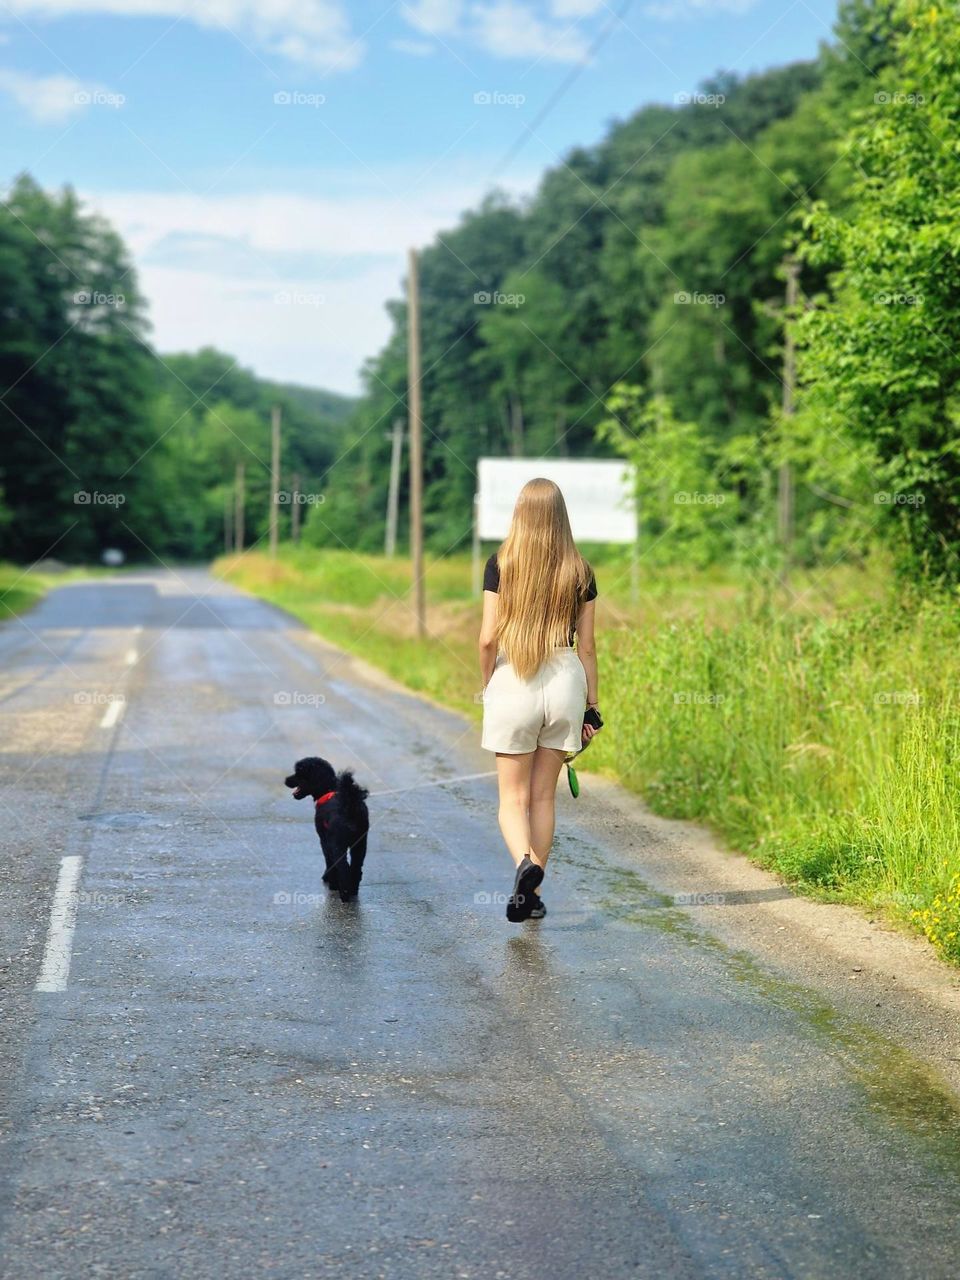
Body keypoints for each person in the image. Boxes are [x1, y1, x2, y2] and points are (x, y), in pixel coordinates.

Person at [478, 477, 601, 923]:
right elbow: (587, 647)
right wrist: (591, 706)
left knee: (511, 800)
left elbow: (488, 638)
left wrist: (487, 684)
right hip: (566, 679)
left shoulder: (501, 564)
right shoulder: (581, 571)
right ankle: (534, 892)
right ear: (561, 517)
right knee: (542, 799)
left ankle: (523, 865)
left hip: (516, 677)